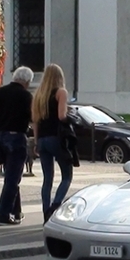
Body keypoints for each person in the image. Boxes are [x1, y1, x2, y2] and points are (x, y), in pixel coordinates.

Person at [0, 66, 34, 225]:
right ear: (26, 81)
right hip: (17, 137)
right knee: (13, 179)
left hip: (1, 136)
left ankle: (16, 210)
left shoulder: (0, 92)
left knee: (11, 176)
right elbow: (33, 118)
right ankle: (3, 213)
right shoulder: (26, 96)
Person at [31, 63, 74, 223]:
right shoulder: (60, 92)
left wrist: (36, 142)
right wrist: (71, 115)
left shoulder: (38, 96)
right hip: (56, 138)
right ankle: (55, 207)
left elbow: (35, 121)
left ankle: (45, 212)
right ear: (59, 77)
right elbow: (62, 116)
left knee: (47, 178)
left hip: (42, 140)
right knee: (66, 176)